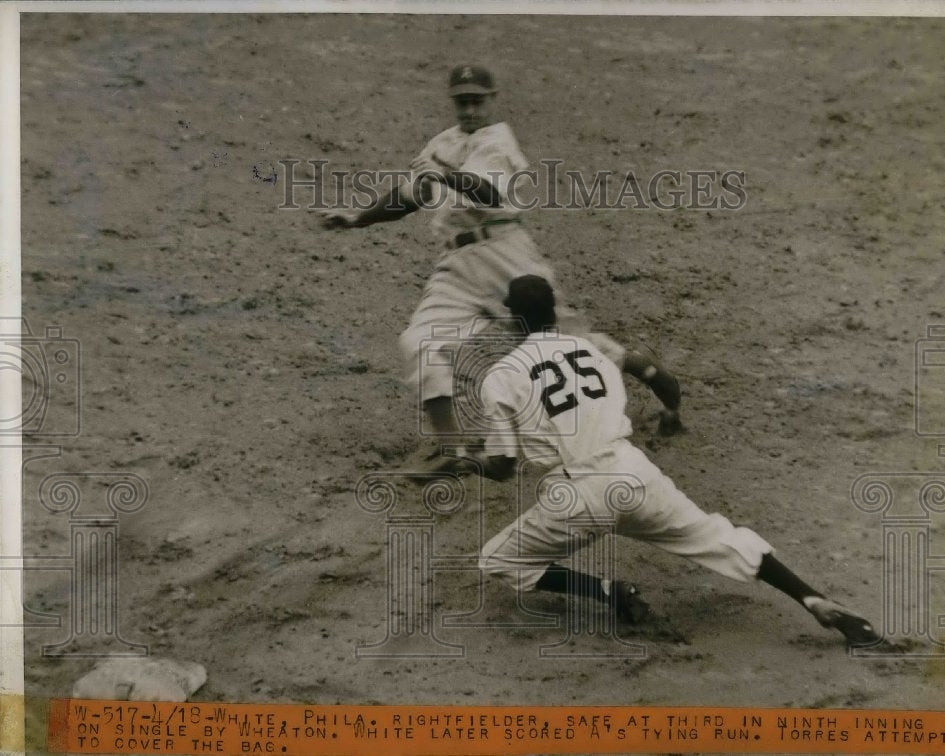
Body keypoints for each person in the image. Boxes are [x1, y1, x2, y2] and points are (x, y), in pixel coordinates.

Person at [445, 274, 881, 647]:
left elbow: (502, 466)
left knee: (499, 560)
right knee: (717, 535)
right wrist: (672, 411)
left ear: (512, 320)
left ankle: (608, 592)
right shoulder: (594, 348)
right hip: (635, 475)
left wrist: (464, 460)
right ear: (554, 312)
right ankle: (812, 599)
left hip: (575, 497)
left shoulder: (501, 376)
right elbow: (659, 376)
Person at [317, 64, 683, 455]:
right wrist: (358, 218)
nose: (470, 109)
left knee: (564, 342)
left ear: (492, 99)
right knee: (419, 343)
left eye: (477, 101)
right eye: (462, 102)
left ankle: (651, 377)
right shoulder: (442, 143)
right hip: (456, 266)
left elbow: (487, 192)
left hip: (507, 254)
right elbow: (410, 197)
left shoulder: (498, 141)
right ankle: (451, 449)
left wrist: (443, 174)